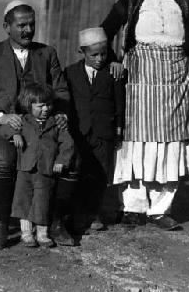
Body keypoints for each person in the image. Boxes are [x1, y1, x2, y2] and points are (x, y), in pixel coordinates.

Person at [101, 0, 189, 230]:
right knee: (136, 145)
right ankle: (133, 207)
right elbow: (104, 32)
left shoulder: (183, 5)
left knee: (170, 146)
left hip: (176, 89)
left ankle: (160, 209)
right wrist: (113, 63)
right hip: (139, 88)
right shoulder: (134, 0)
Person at [0, 1, 69, 249]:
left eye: (31, 24)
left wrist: (60, 114)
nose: (28, 30)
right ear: (7, 27)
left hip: (40, 128)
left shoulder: (47, 54)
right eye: (21, 25)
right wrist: (1, 117)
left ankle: (53, 223)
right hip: (5, 127)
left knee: (58, 160)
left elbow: (61, 90)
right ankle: (0, 224)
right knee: (4, 160)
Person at [64, 28, 125, 234]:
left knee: (100, 174)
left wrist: (118, 131)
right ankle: (77, 213)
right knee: (79, 172)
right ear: (82, 52)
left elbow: (119, 104)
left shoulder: (113, 73)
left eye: (104, 54)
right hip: (79, 132)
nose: (100, 59)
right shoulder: (70, 73)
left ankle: (94, 213)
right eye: (94, 55)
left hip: (103, 132)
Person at [0, 83, 74, 248]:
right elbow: (3, 130)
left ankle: (42, 234)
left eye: (48, 105)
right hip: (25, 169)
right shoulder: (23, 121)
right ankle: (26, 234)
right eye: (41, 106)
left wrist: (61, 161)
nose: (46, 109)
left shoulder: (56, 123)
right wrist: (14, 135)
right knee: (23, 201)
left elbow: (67, 143)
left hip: (45, 170)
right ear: (29, 105)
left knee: (42, 201)